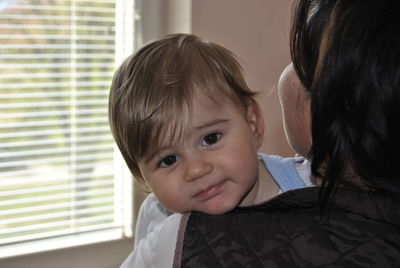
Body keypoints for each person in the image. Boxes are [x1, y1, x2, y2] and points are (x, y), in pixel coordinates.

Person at [171, 1, 400, 267]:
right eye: (169, 159)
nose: (196, 170)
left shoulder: (179, 241)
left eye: (301, 64)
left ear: (326, 123)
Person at [109, 33, 313, 267]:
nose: (196, 169)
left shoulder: (308, 186)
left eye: (210, 138)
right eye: (168, 160)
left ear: (252, 124)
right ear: (141, 176)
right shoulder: (157, 217)